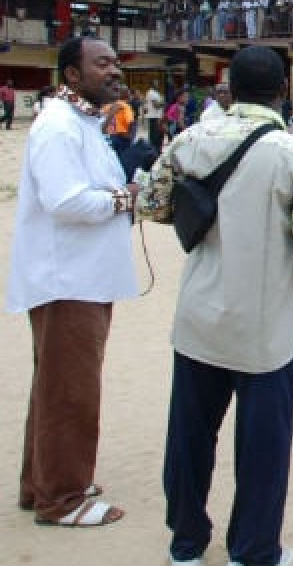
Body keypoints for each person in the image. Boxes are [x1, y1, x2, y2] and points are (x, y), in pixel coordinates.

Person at [137, 45, 293, 565]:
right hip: (266, 328)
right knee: (263, 447)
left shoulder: (190, 138)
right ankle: (252, 549)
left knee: (188, 437)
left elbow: (153, 204)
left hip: (199, 317)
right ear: (282, 89)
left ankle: (185, 542)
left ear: (228, 84)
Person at [9, 38, 138, 528]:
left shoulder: (84, 124)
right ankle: (62, 498)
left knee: (55, 387)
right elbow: (66, 201)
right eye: (101, 63)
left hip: (85, 279)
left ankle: (41, 483)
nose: (113, 70)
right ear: (72, 75)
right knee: (71, 393)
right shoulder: (59, 127)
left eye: (114, 62)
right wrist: (123, 198)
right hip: (68, 282)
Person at [104, 85, 136, 156]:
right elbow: (130, 122)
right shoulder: (125, 106)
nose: (129, 93)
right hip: (122, 137)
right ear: (124, 94)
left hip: (110, 136)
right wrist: (130, 137)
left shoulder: (107, 105)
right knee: (123, 159)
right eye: (127, 91)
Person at [144, 81, 165, 150]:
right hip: (154, 117)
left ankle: (156, 150)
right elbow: (156, 105)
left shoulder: (155, 93)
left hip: (156, 116)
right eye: (155, 83)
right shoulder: (151, 93)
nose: (157, 84)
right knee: (154, 136)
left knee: (157, 135)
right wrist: (163, 102)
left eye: (157, 83)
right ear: (152, 84)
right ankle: (154, 151)